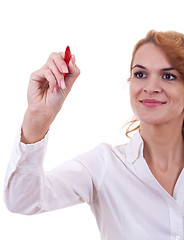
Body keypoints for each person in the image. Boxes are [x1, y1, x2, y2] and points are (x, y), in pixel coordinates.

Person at [4, 30, 184, 240]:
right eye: (140, 74)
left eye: (168, 76)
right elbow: (22, 199)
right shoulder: (104, 165)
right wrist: (37, 116)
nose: (150, 88)